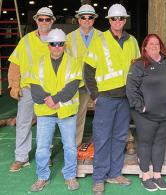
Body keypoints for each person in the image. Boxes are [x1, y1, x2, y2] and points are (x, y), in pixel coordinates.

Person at [83, 4, 140, 195]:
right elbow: (88, 70)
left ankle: (114, 174)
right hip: (106, 98)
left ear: (125, 20)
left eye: (121, 19)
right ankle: (99, 178)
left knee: (120, 137)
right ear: (109, 21)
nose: (118, 22)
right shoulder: (99, 41)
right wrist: (95, 96)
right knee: (102, 138)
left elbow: (137, 68)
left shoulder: (132, 41)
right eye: (114, 19)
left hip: (125, 99)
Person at [28, 28, 81, 192]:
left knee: (70, 146)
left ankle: (70, 176)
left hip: (66, 112)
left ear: (64, 45)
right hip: (45, 113)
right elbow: (35, 88)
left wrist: (56, 100)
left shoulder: (74, 62)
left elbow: (72, 87)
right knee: (43, 147)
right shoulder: (38, 63)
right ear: (48, 45)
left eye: (59, 44)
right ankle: (42, 177)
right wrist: (50, 101)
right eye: (53, 44)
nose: (56, 47)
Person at [126, 34, 166, 192]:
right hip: (145, 115)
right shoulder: (139, 65)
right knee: (146, 143)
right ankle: (146, 175)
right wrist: (140, 107)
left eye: (157, 44)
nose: (155, 46)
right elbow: (131, 88)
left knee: (160, 143)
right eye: (151, 44)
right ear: (145, 47)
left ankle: (157, 174)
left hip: (165, 114)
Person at [7, 7, 55, 172]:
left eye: (47, 19)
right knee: (23, 123)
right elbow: (15, 64)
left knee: (45, 124)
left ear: (52, 21)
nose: (43, 22)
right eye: (40, 19)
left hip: (48, 90)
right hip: (28, 90)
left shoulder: (58, 39)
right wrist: (14, 85)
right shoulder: (25, 40)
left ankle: (44, 156)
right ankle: (21, 157)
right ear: (36, 20)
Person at [66, 4, 101, 146]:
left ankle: (102, 144)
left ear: (94, 19)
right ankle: (75, 146)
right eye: (83, 17)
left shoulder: (103, 37)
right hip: (78, 85)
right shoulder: (69, 38)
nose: (86, 20)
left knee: (105, 115)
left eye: (90, 17)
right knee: (78, 117)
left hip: (98, 84)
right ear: (78, 19)